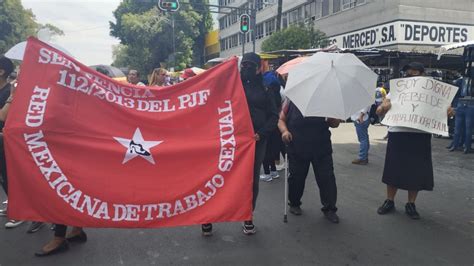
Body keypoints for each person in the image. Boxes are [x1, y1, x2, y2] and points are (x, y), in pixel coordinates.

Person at [201, 53, 278, 236]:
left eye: (251, 66)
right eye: (244, 65)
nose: (247, 69)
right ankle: (207, 217)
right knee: (218, 177)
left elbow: (274, 116)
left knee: (251, 180)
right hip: (229, 141)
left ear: (259, 68)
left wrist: (261, 134)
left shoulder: (267, 90)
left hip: (255, 142)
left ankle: (247, 217)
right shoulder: (229, 87)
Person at [376, 62, 455, 219]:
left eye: (414, 73)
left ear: (422, 74)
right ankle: (389, 200)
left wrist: (449, 113)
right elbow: (379, 111)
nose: (410, 76)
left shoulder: (434, 93)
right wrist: (383, 107)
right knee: (393, 168)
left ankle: (411, 204)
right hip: (398, 133)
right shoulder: (397, 91)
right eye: (408, 73)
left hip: (420, 135)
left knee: (417, 170)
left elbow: (445, 114)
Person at [278, 99, 341, 223]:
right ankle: (294, 203)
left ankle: (330, 209)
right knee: (296, 178)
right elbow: (281, 119)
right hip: (297, 146)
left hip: (321, 147)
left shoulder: (326, 101)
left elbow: (334, 124)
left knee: (327, 178)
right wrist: (285, 131)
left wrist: (333, 117)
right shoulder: (291, 100)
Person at [260, 71, 283, 182]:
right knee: (273, 149)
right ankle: (274, 171)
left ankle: (267, 173)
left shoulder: (266, 96)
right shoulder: (279, 95)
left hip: (266, 125)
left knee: (265, 150)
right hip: (276, 125)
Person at [449, 78, 472, 154]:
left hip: (469, 102)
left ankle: (465, 146)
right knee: (459, 127)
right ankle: (456, 145)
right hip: (462, 103)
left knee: (467, 128)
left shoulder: (462, 80)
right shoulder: (460, 81)